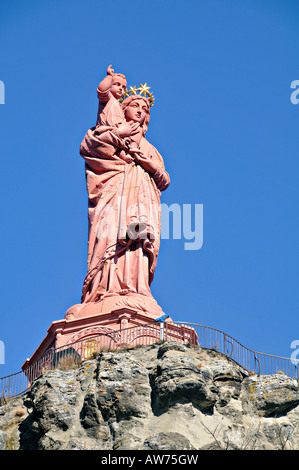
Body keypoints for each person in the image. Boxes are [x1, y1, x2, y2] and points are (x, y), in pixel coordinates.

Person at [79, 94, 170, 308]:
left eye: (145, 109)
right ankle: (108, 288)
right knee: (112, 238)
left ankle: (137, 288)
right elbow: (90, 147)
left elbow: (164, 180)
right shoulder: (114, 136)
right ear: (124, 109)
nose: (140, 111)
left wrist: (150, 165)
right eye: (135, 106)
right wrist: (117, 134)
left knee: (139, 241)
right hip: (115, 200)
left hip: (144, 201)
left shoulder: (151, 149)